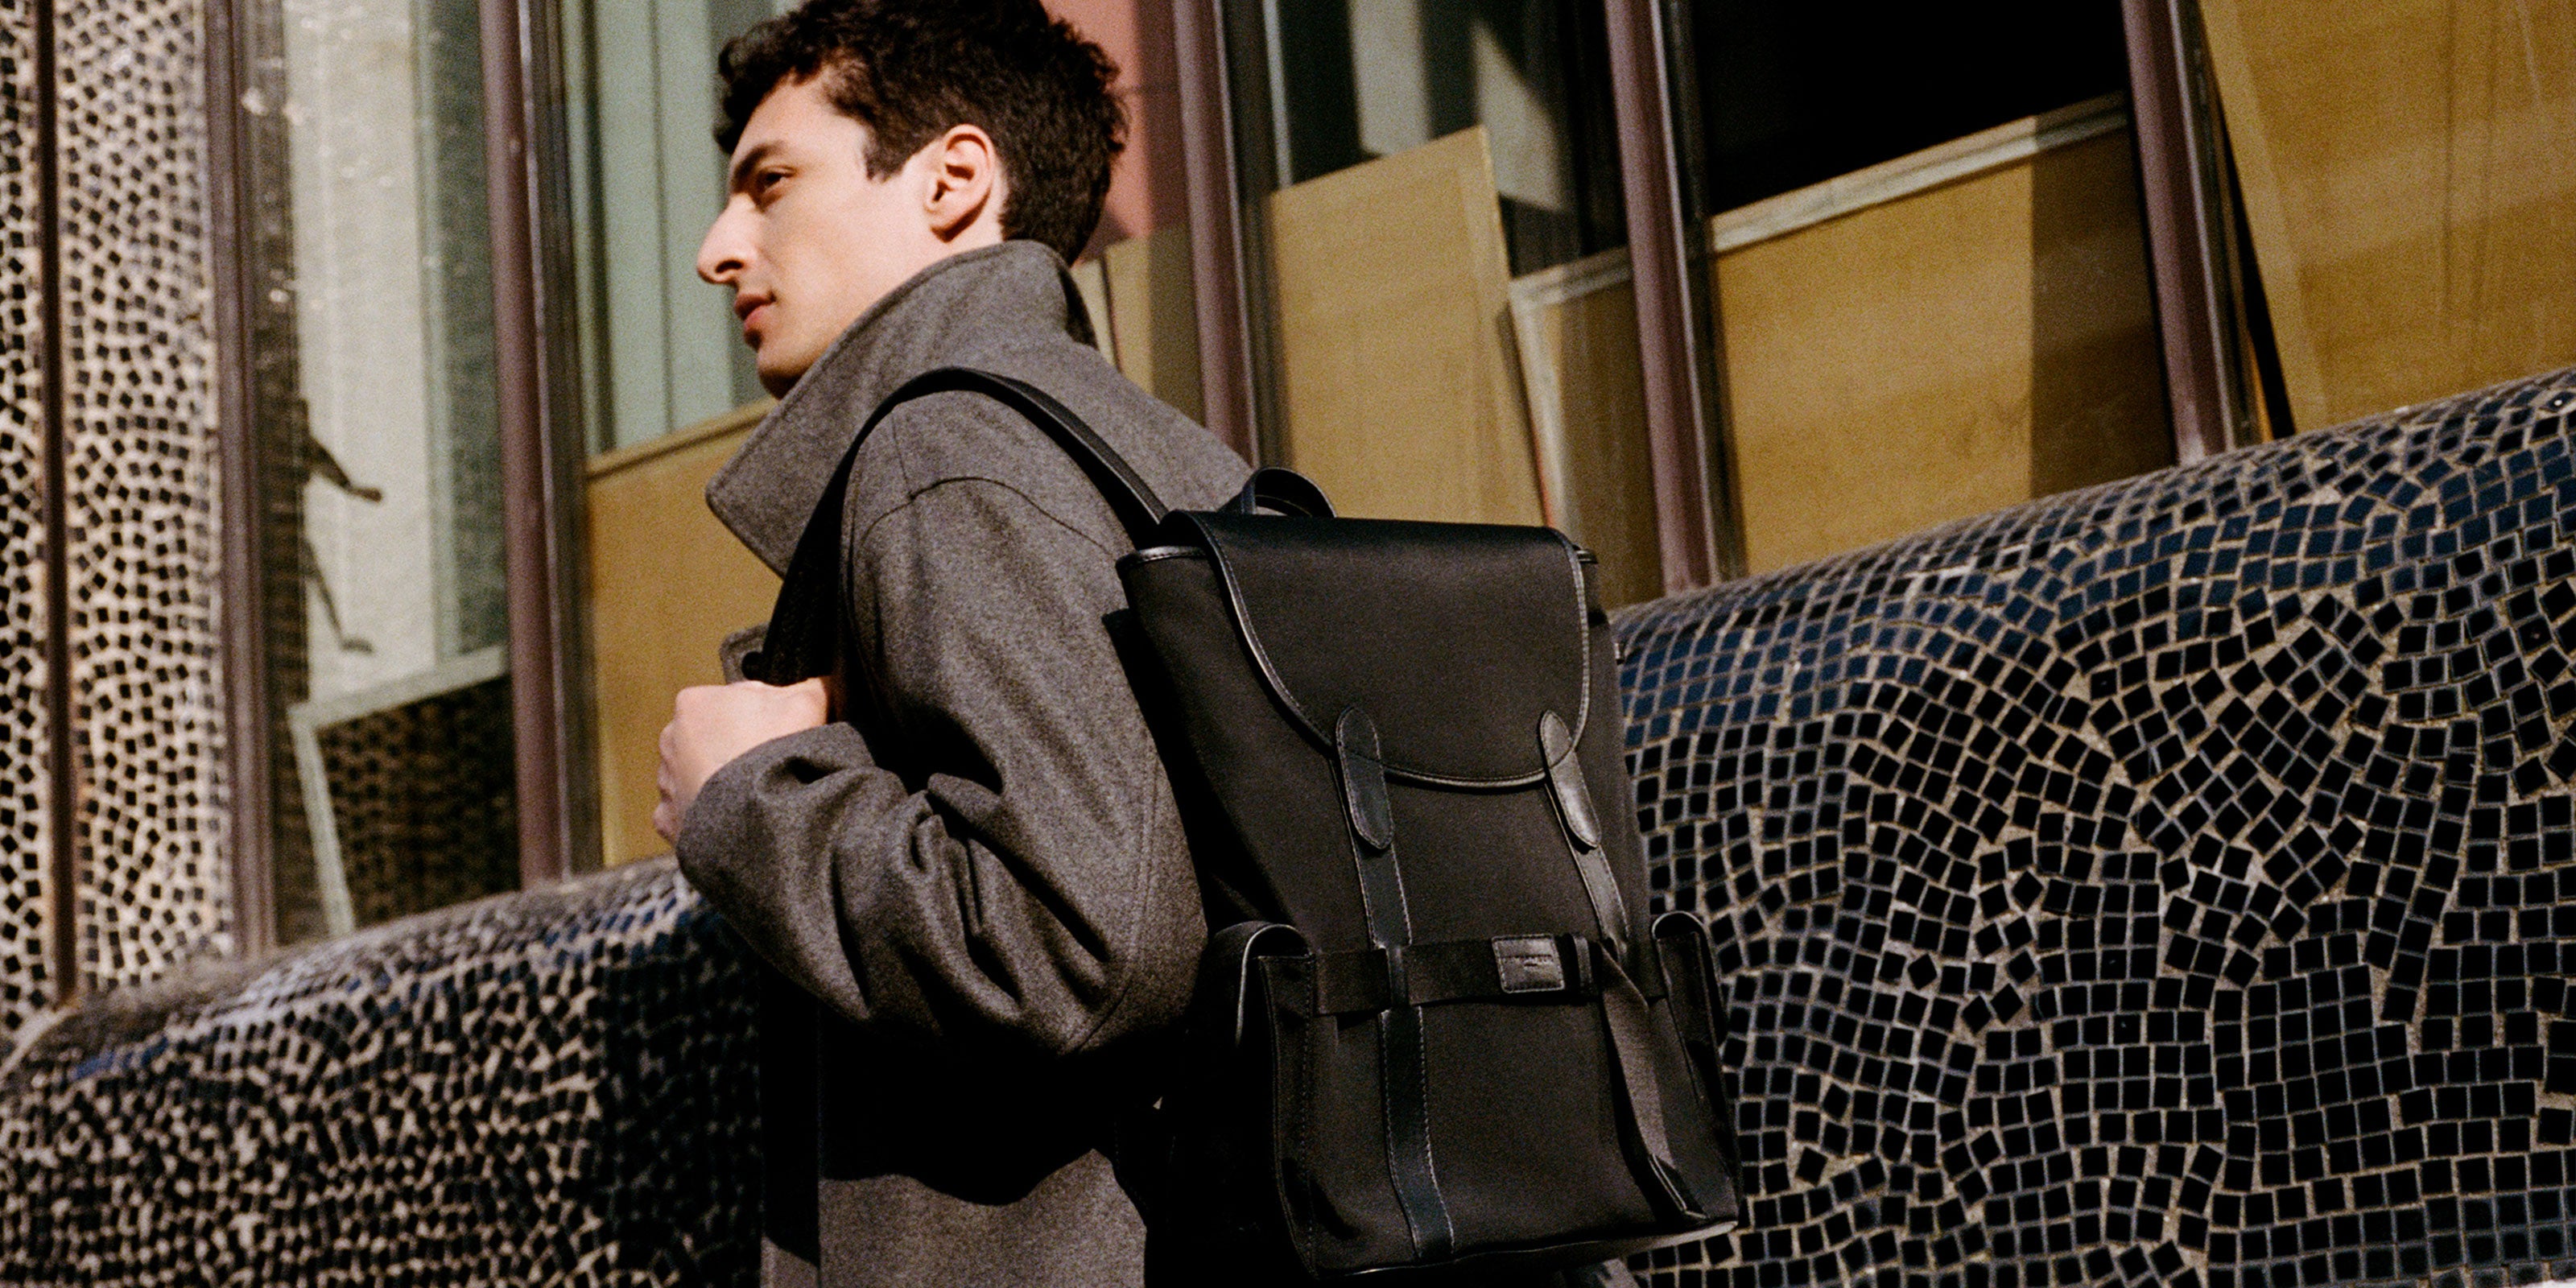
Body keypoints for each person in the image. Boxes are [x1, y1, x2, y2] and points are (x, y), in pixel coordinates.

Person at [656, 2, 1248, 1284]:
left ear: (954, 179)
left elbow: (1079, 944)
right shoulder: (1171, 458)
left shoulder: (948, 453)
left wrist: (746, 797)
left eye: (771, 184)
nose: (717, 250)